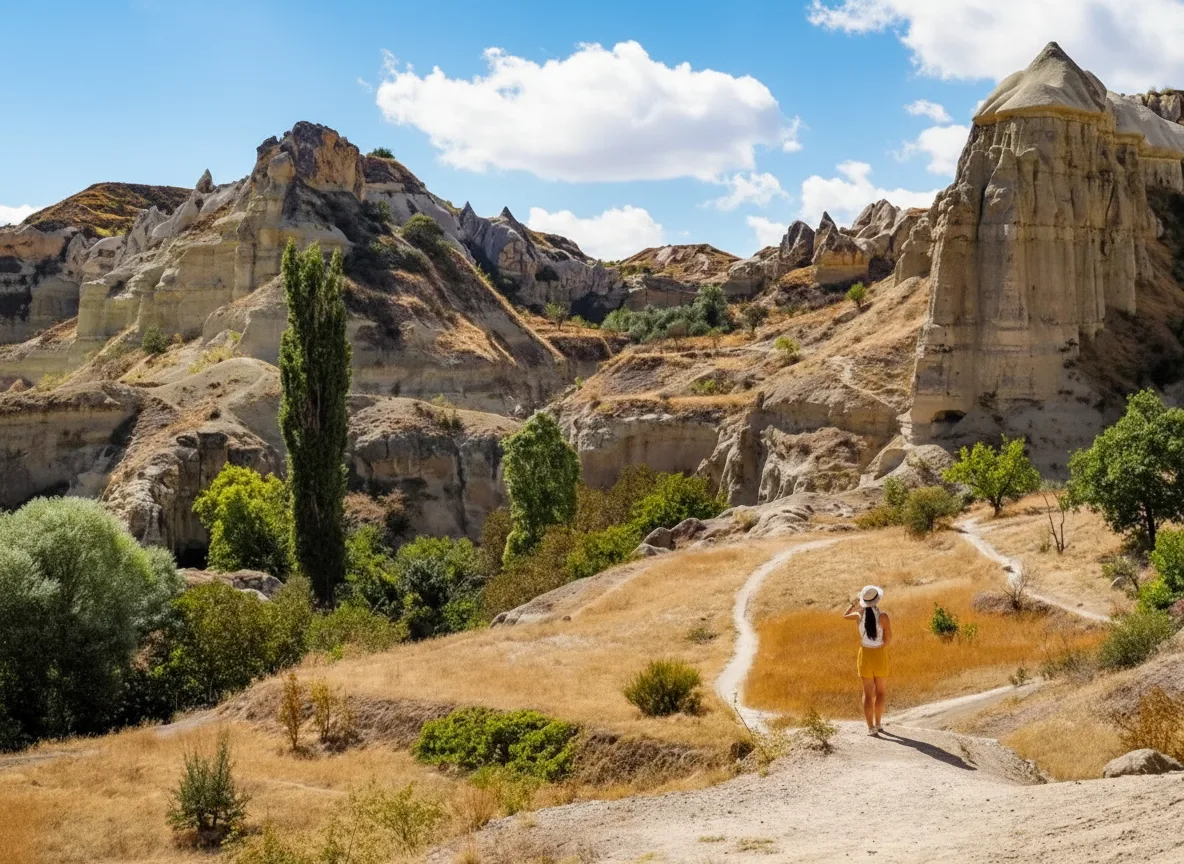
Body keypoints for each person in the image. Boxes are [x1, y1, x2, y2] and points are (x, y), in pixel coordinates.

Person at [843, 585, 892, 735]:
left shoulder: (859, 615)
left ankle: (870, 728)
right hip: (879, 655)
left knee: (867, 694)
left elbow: (845, 616)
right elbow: (887, 639)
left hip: (865, 655)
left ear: (863, 601)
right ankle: (878, 724)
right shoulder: (883, 616)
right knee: (881, 692)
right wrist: (880, 645)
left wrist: (853, 604)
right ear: (877, 599)